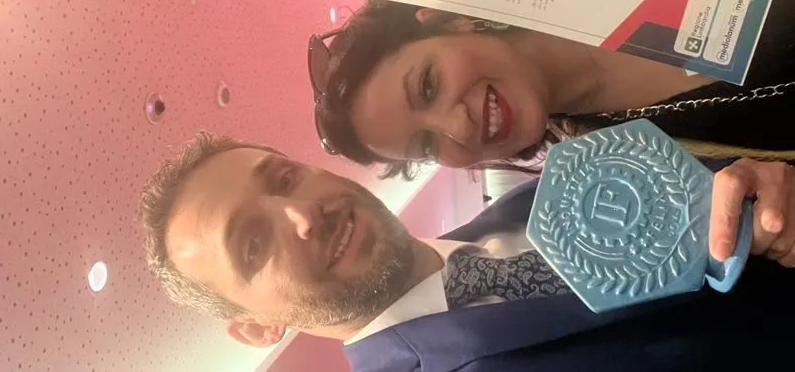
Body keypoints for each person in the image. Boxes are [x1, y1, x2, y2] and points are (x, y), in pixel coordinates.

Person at [139, 133, 795, 371]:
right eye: (254, 245)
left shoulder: (529, 203)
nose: (303, 215)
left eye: (284, 178)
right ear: (257, 327)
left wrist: (763, 203)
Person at [308, 0, 795, 180]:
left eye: (428, 87)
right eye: (428, 145)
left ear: (449, 21)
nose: (457, 127)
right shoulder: (617, 171)